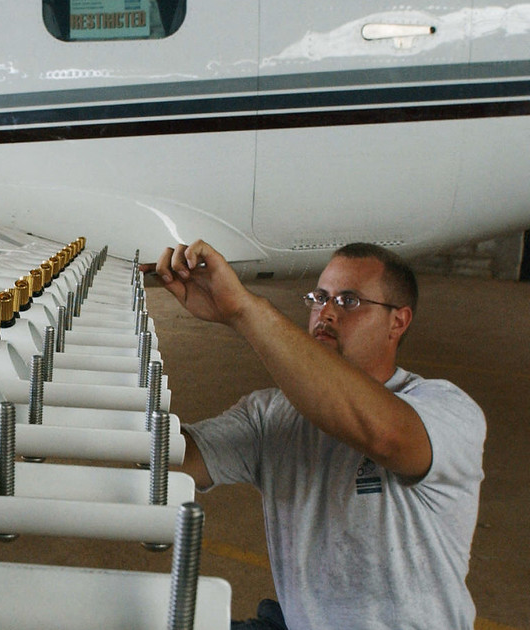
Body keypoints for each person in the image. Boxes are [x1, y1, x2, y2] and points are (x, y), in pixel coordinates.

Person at [145, 240, 485, 629]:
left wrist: (244, 310)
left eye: (349, 301)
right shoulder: (272, 413)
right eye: (320, 298)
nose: (326, 312)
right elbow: (172, 463)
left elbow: (386, 437)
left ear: (398, 321)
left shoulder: (446, 409)